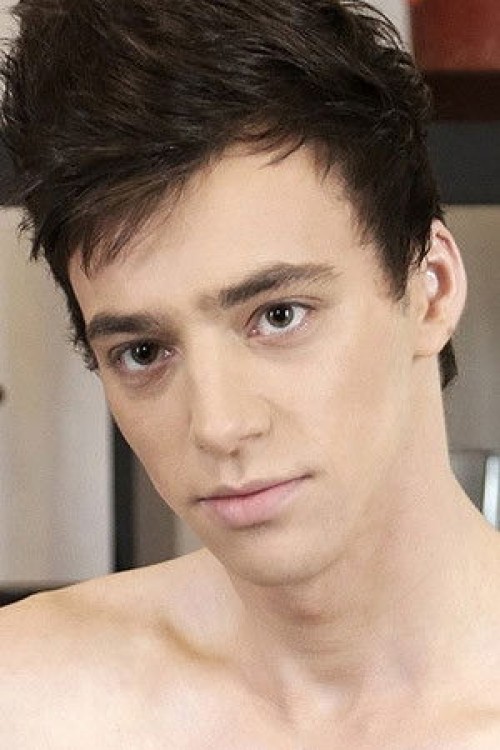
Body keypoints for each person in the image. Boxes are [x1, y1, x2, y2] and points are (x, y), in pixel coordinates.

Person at [1, 0, 499, 746]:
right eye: (143, 352)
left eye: (279, 315)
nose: (218, 424)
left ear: (431, 289)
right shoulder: (28, 698)